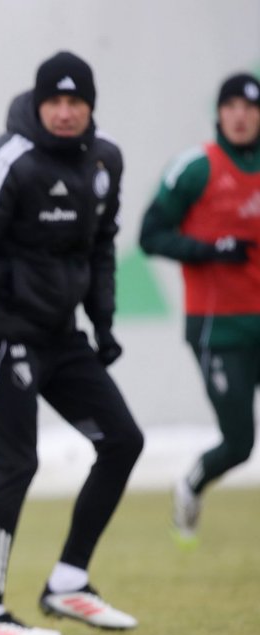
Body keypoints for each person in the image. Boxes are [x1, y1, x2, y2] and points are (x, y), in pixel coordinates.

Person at [0, 51, 144, 635]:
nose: (63, 112)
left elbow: (101, 245)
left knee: (123, 441)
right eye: (53, 102)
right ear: (37, 104)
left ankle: (68, 581)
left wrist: (102, 326)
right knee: (17, 464)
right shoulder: (11, 160)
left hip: (62, 337)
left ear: (90, 107)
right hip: (2, 337)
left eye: (74, 102)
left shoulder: (106, 159)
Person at [139, 72, 260, 547]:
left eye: (250, 107)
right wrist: (209, 248)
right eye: (232, 105)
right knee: (239, 444)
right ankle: (191, 484)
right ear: (219, 112)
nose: (242, 115)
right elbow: (151, 236)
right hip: (220, 330)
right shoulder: (195, 168)